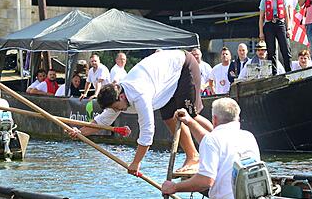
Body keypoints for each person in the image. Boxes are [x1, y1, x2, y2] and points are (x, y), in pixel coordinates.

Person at [67, 50, 213, 175]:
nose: (117, 111)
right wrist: (80, 133)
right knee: (169, 117)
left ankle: (214, 144)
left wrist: (136, 163)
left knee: (190, 116)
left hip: (184, 66)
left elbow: (147, 132)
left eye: (116, 107)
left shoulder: (139, 95)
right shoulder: (118, 97)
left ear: (121, 96)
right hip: (165, 80)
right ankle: (192, 155)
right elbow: (102, 121)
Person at [161, 98, 261, 199]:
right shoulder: (248, 136)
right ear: (237, 118)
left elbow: (205, 181)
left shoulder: (212, 139)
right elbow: (212, 142)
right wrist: (190, 122)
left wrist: (174, 187)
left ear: (214, 119)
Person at [258, 0, 292, 71]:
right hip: (269, 25)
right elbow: (261, 18)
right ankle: (273, 72)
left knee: (285, 49)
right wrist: (261, 32)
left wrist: (288, 29)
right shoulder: (264, 0)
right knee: (271, 51)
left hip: (280, 24)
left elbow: (287, 16)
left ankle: (289, 71)